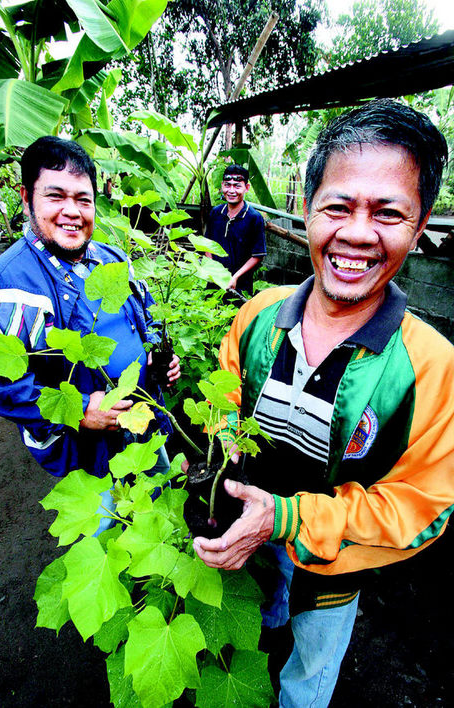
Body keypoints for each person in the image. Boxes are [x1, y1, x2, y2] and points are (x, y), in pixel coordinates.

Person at [192, 99, 454, 707]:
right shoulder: (259, 316)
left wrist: (286, 519)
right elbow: (227, 396)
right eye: (339, 206)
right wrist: (221, 438)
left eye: (389, 213)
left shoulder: (432, 367)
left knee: (307, 677)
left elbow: (420, 509)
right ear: (308, 212)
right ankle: (270, 618)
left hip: (335, 570)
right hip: (246, 537)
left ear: (418, 230)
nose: (358, 233)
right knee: (260, 624)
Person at [0, 136, 180, 485]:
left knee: (158, 504)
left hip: (143, 416)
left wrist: (157, 354)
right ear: (27, 199)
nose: (72, 211)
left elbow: (146, 314)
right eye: (56, 196)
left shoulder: (112, 258)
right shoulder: (6, 282)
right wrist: (81, 409)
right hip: (86, 450)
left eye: (83, 200)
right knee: (103, 524)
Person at [206, 164, 267, 295]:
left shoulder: (254, 218)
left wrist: (235, 277)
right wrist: (213, 271)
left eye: (237, 186)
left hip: (240, 286)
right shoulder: (215, 213)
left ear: (247, 188)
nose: (231, 190)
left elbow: (258, 255)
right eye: (227, 185)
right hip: (214, 283)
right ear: (222, 185)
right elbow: (207, 245)